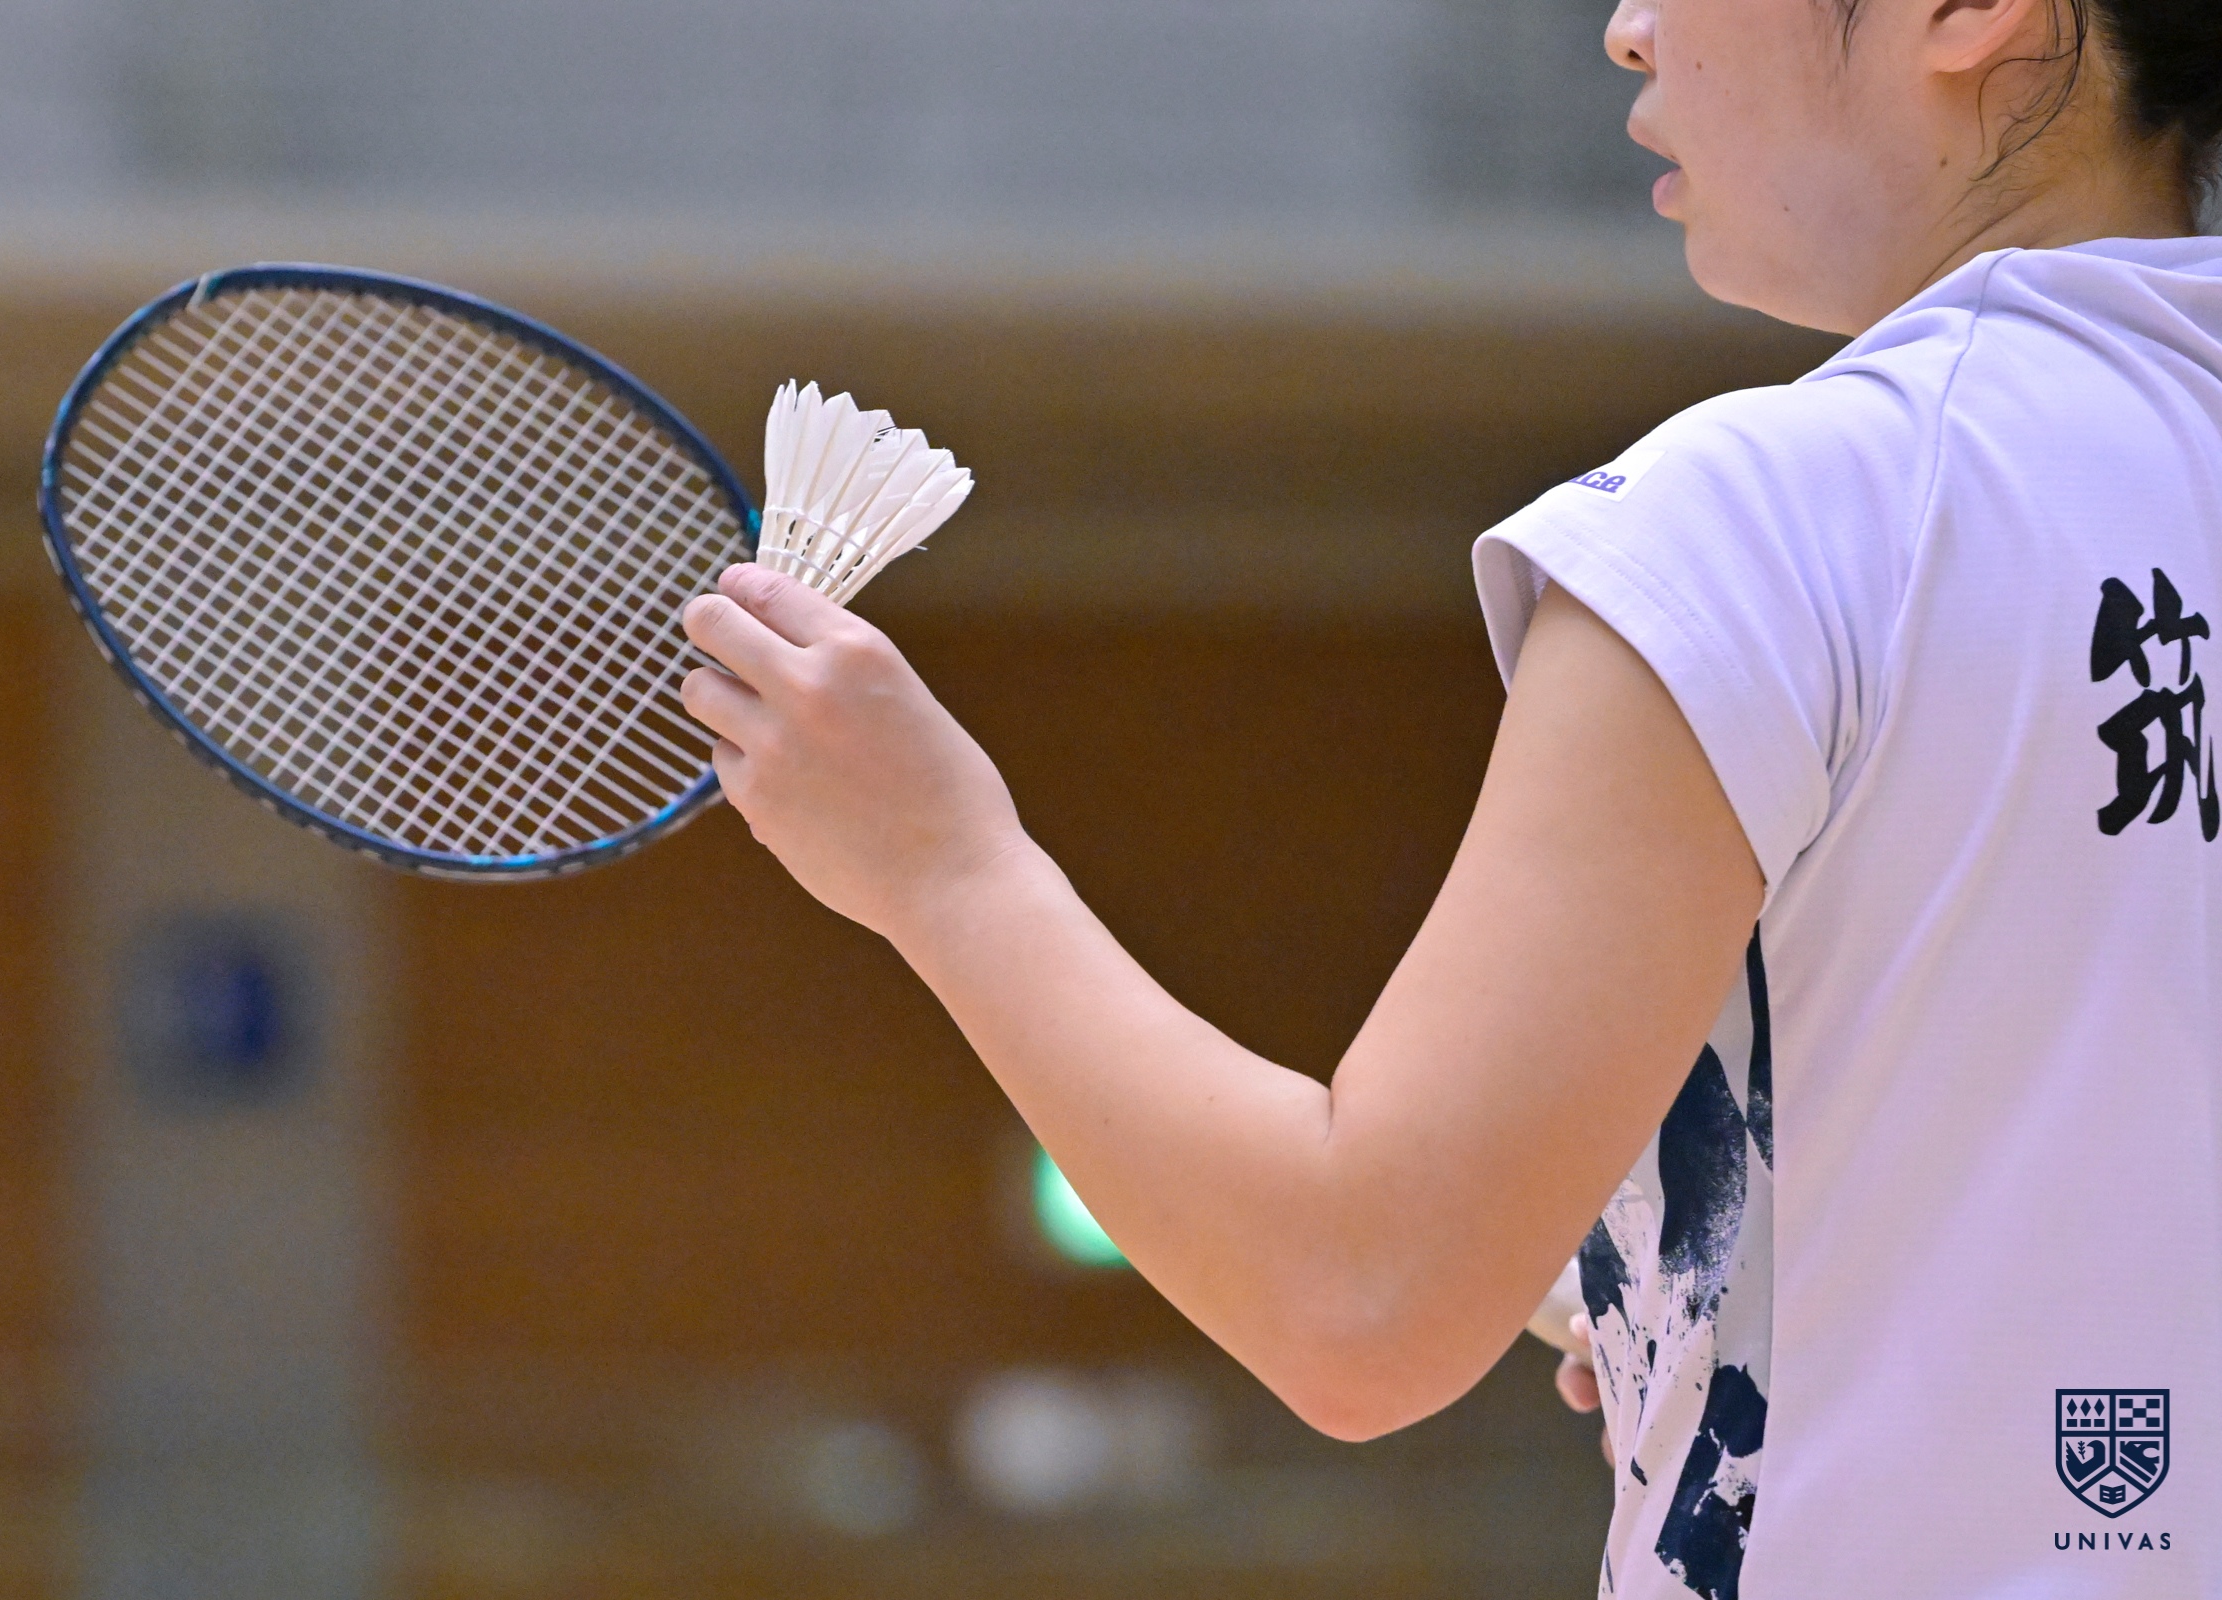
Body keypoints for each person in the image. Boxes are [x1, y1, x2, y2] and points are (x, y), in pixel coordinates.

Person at [682, 0, 2222, 1593]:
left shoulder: (1775, 517)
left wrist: (948, 868)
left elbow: (1359, 1299)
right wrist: (1669, 1292)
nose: (1628, 30)